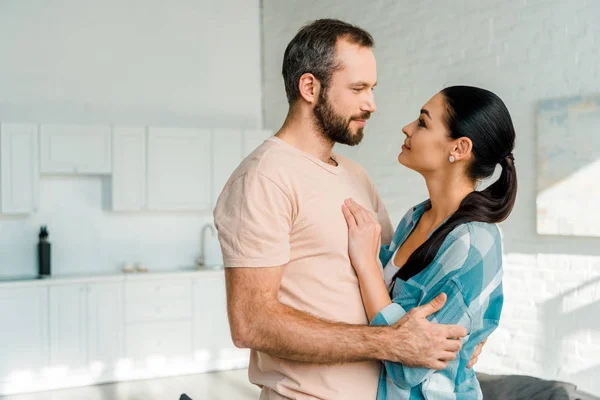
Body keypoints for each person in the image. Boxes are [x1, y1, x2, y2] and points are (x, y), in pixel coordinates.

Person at [214, 19, 482, 400]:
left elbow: (394, 283)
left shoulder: (356, 175)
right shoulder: (264, 178)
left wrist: (458, 334)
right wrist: (388, 343)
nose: (371, 104)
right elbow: (252, 323)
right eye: (358, 89)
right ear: (310, 87)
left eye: (372, 89)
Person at [342, 85, 517, 399]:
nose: (407, 128)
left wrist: (367, 264)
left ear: (460, 148)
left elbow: (411, 367)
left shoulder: (473, 242)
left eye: (423, 122)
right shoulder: (415, 217)